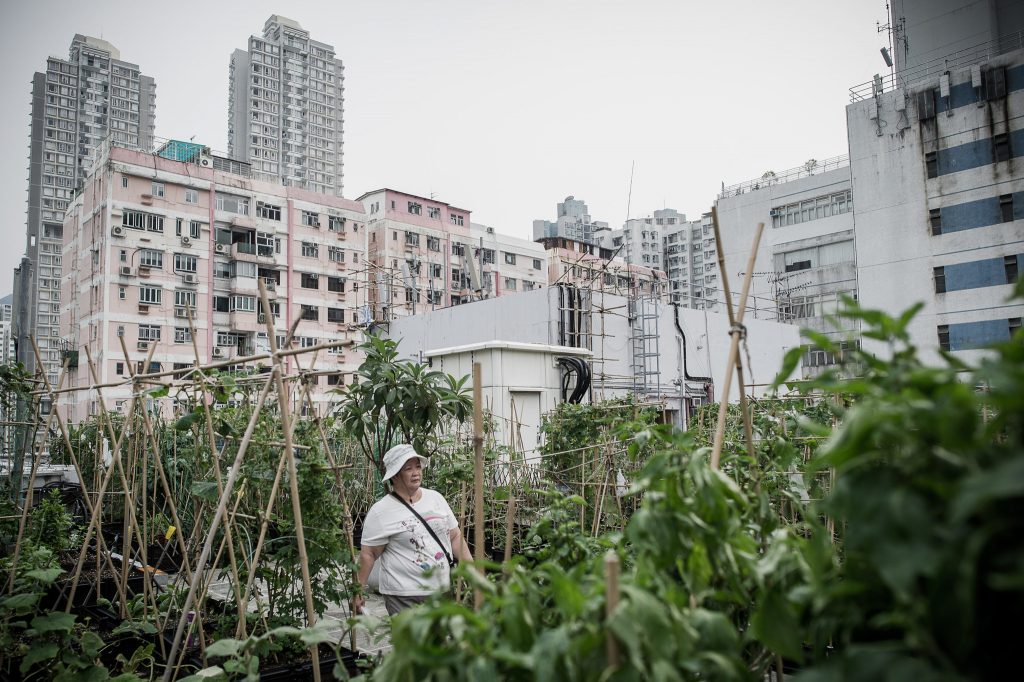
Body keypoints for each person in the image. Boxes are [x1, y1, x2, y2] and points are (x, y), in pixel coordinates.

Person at [353, 444, 472, 616]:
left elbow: (454, 537)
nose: (416, 472)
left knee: (439, 642)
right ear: (394, 475)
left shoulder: (436, 499)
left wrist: (474, 573)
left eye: (418, 466)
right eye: (408, 468)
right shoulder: (381, 511)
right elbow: (368, 554)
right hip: (403, 596)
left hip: (440, 590)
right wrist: (358, 592)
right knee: (412, 643)